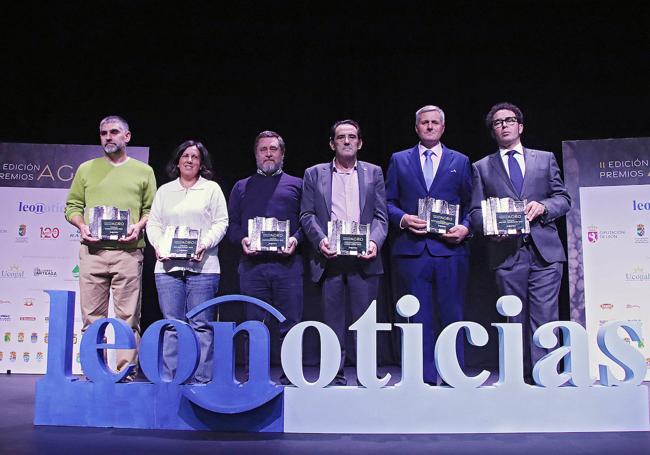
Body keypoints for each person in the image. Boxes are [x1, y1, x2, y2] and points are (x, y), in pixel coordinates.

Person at [470, 102, 571, 382]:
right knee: (513, 317)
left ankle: (546, 374)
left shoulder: (545, 158)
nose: (504, 125)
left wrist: (543, 207)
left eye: (509, 120)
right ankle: (520, 377)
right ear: (493, 131)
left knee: (545, 316)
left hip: (545, 252)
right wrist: (491, 228)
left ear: (520, 126)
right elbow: (475, 212)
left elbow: (563, 199)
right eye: (498, 122)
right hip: (506, 252)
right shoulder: (481, 167)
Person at [385, 105, 472, 385]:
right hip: (413, 251)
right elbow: (386, 203)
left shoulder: (460, 160)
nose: (430, 127)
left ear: (443, 128)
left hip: (450, 251)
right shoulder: (399, 160)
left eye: (435, 123)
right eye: (425, 123)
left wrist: (466, 227)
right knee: (418, 318)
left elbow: (472, 205)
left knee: (452, 314)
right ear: (417, 127)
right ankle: (421, 377)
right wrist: (403, 219)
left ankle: (453, 375)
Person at [65, 115, 156, 380]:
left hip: (128, 252)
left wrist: (138, 227)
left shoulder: (143, 171)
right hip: (93, 252)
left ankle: (125, 371)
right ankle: (94, 370)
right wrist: (82, 226)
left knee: (128, 317)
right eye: (103, 133)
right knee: (92, 317)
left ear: (127, 137)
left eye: (114, 132)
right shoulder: (86, 169)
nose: (108, 137)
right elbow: (72, 206)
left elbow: (152, 210)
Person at [300, 119, 387, 385]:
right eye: (341, 137)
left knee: (364, 322)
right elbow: (306, 215)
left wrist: (373, 242)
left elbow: (381, 217)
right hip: (331, 259)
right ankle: (333, 374)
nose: (347, 141)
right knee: (332, 322)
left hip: (364, 260)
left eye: (352, 137)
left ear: (360, 143)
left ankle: (365, 374)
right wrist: (320, 241)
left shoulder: (374, 172)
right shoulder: (314, 174)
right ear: (332, 143)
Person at [146, 140, 228, 383]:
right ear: (178, 160)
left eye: (195, 156)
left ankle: (202, 380)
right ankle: (172, 379)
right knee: (172, 325)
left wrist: (205, 244)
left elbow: (221, 222)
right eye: (185, 156)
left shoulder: (211, 189)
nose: (190, 160)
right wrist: (159, 248)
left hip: (203, 268)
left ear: (201, 163)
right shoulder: (164, 191)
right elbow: (154, 224)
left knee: (201, 325)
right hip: (168, 269)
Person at [227, 131, 303, 383]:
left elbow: (307, 221)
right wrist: (242, 240)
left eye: (273, 149)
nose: (268, 153)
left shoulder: (297, 184)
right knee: (254, 324)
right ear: (256, 154)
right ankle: (253, 376)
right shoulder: (241, 187)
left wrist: (296, 239)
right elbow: (233, 224)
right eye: (263, 149)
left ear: (282, 153)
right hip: (252, 267)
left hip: (288, 266)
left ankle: (291, 375)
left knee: (290, 323)